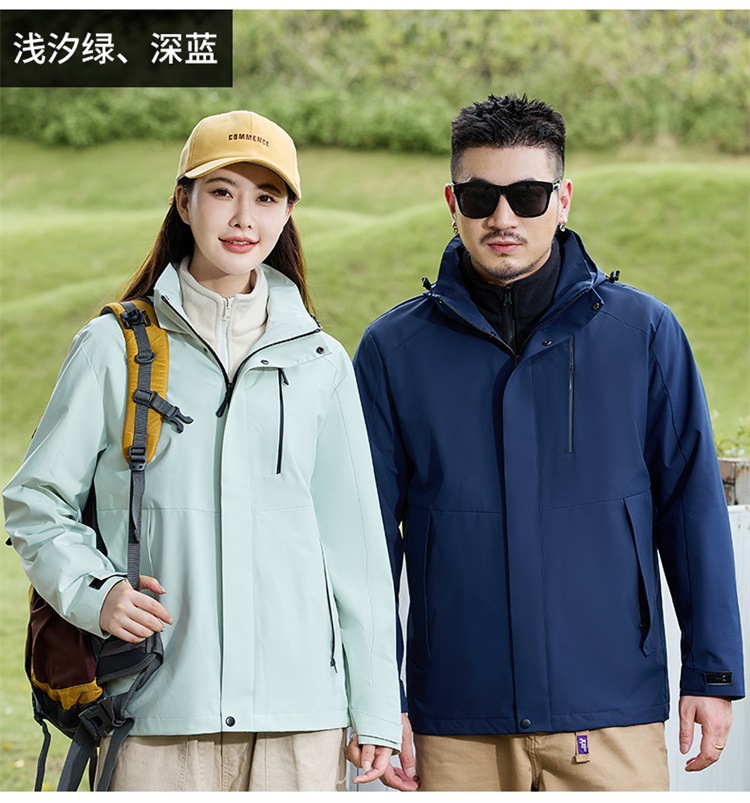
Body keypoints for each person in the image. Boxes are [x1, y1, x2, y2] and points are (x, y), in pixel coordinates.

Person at [352, 93, 744, 792]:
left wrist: (712, 671)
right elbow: (366, 541)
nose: (503, 218)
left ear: (562, 200)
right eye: (481, 196)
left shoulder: (643, 335)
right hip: (456, 719)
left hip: (610, 710)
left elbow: (692, 511)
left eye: (528, 195)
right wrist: (381, 697)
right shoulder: (394, 351)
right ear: (452, 202)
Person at [3, 109, 402, 792]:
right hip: (154, 711)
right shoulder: (112, 348)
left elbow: (357, 549)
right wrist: (97, 592)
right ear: (183, 202)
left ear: (287, 214)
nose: (244, 217)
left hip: (300, 721)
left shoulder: (321, 362)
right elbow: (35, 502)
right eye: (222, 191)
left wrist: (375, 711)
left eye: (266, 197)